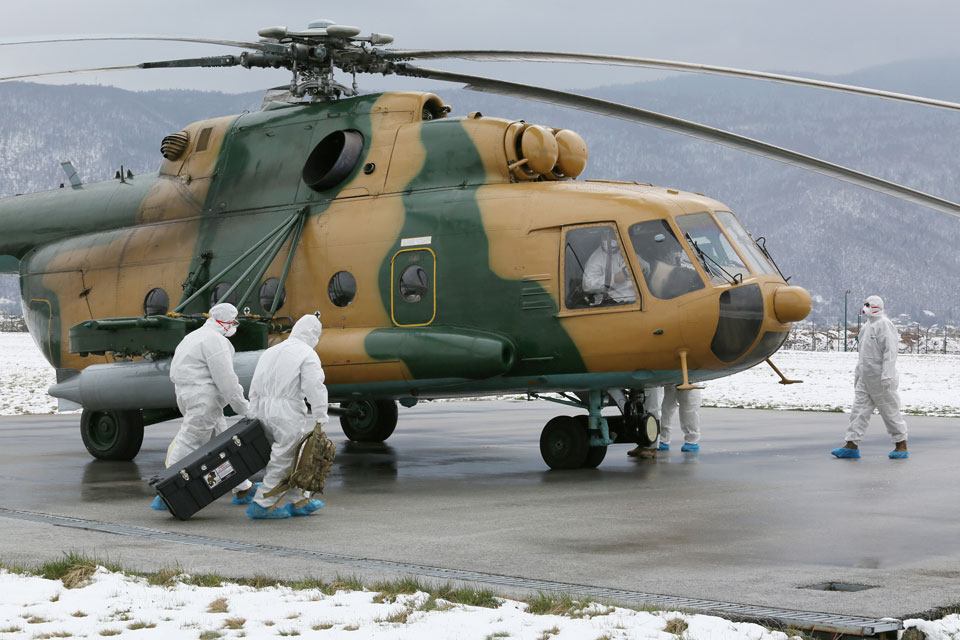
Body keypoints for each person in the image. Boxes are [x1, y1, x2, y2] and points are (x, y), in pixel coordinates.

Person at [151, 302, 256, 510]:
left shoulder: (192, 337)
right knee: (190, 441)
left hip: (189, 395)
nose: (235, 325)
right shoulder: (215, 340)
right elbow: (226, 380)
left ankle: (243, 487)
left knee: (222, 444)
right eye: (233, 321)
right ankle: (166, 492)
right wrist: (245, 408)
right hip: (204, 399)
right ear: (225, 321)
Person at [246, 314, 329, 520]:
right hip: (286, 412)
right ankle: (262, 504)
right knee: (284, 458)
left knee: (292, 457)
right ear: (313, 335)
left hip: (262, 409)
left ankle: (300, 500)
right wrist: (321, 415)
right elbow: (314, 387)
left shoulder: (271, 351)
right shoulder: (307, 354)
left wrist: (253, 412)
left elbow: (255, 384)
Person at [831, 295, 909, 460]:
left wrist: (887, 375)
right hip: (866, 378)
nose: (864, 307)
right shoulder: (867, 326)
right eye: (864, 304)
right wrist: (858, 374)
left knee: (889, 411)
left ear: (875, 306)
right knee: (858, 411)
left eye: (868, 304)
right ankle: (851, 445)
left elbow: (890, 352)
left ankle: (901, 444)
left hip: (881, 379)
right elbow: (863, 355)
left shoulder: (885, 325)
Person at [581, 232, 637, 305]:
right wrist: (614, 279)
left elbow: (645, 266)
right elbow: (587, 286)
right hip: (612, 303)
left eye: (613, 236)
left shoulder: (625, 250)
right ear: (601, 238)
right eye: (605, 237)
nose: (609, 240)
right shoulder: (596, 259)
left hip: (635, 299)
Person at [659, 385, 702, 452]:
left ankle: (692, 441)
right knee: (664, 408)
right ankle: (662, 439)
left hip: (690, 378)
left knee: (689, 408)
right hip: (668, 379)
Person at [627, 387, 663, 458]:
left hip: (652, 382)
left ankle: (652, 447)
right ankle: (642, 445)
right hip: (639, 381)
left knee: (652, 409)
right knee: (639, 409)